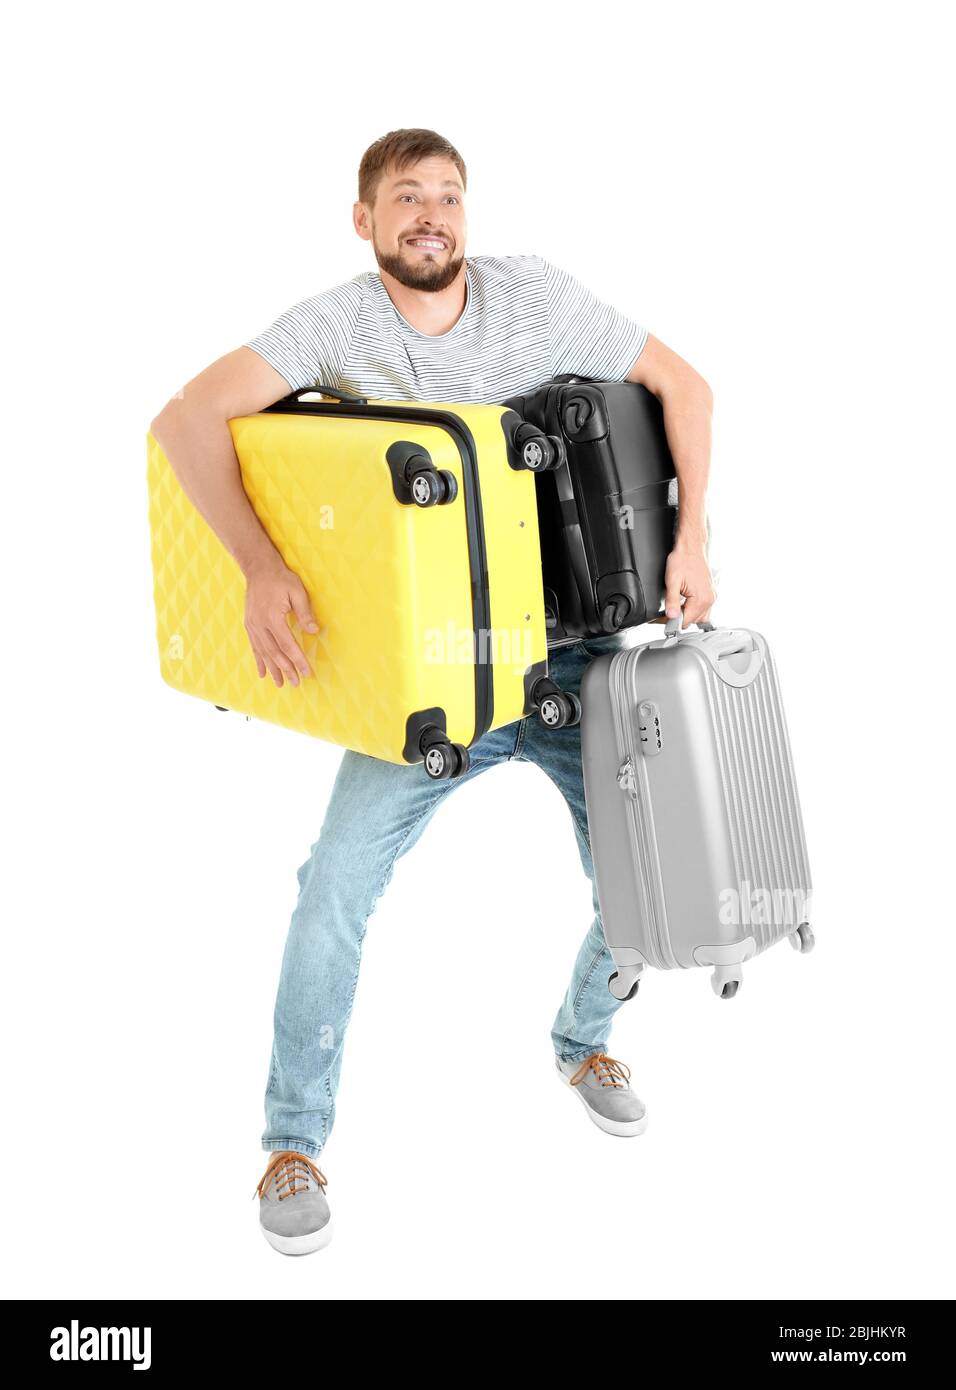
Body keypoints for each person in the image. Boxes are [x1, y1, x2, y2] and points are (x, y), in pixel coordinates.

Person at [149, 127, 716, 1257]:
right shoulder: (334, 324)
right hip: (438, 674)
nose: (430, 215)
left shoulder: (536, 296)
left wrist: (692, 539)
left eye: (447, 197)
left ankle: (581, 1039)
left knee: (645, 882)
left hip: (569, 659)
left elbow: (683, 385)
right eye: (405, 197)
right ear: (365, 221)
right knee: (334, 891)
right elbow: (182, 420)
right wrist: (263, 566)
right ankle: (290, 1143)